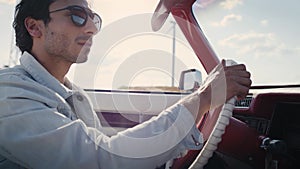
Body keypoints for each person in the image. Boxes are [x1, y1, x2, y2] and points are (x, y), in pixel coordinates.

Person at [0, 0, 252, 168]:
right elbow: (100, 160)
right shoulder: (10, 94)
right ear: (34, 27)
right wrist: (204, 98)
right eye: (77, 16)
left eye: (93, 19)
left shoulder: (73, 95)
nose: (92, 29)